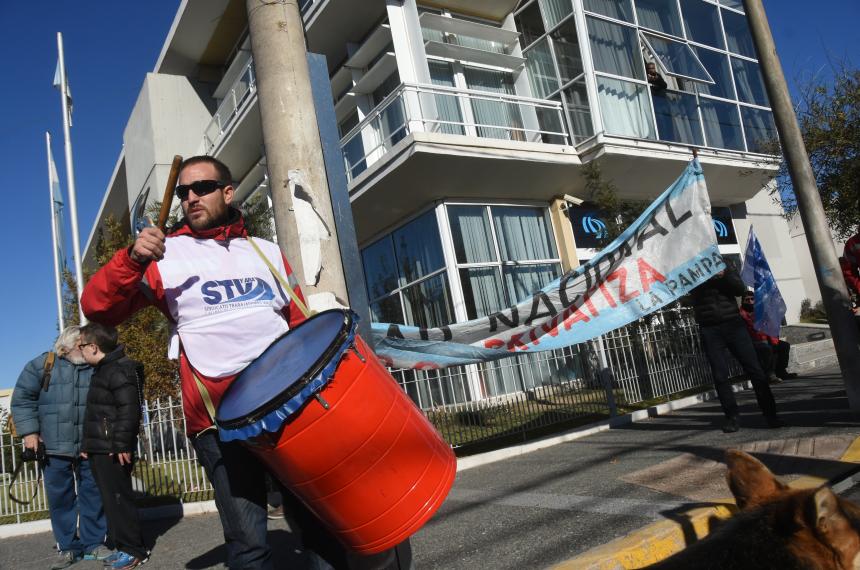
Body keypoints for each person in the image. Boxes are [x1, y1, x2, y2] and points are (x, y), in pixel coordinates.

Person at [81, 156, 407, 569]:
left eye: (202, 188)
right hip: (220, 423)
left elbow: (300, 327)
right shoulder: (162, 255)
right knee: (248, 541)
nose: (191, 198)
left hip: (292, 412)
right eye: (183, 192)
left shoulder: (266, 251)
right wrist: (131, 258)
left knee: (318, 526)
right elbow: (98, 308)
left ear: (228, 192)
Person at [10, 326, 109, 569]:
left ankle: (94, 544)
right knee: (60, 498)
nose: (86, 349)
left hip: (90, 444)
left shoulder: (96, 366)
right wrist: (30, 432)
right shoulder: (43, 365)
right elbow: (22, 398)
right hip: (53, 446)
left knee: (93, 494)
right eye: (82, 344)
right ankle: (67, 547)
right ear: (68, 346)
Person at [79, 322, 149, 570]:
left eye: (81, 346)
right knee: (110, 500)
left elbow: (129, 411)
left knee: (119, 499)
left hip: (113, 449)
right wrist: (89, 443)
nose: (80, 351)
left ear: (94, 347)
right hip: (101, 447)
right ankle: (122, 546)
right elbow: (99, 413)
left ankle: (133, 550)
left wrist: (121, 444)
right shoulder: (103, 370)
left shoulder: (119, 370)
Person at [689, 265, 784, 433]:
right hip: (709, 327)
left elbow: (740, 289)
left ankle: (770, 414)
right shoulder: (688, 268)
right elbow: (687, 293)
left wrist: (723, 275)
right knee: (720, 375)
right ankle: (732, 417)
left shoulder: (723, 263)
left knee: (754, 369)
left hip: (733, 324)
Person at [739, 291, 797, 384]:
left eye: (752, 299)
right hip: (753, 342)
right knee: (766, 348)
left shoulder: (760, 311)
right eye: (747, 299)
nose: (750, 301)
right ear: (743, 301)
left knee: (784, 346)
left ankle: (781, 371)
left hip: (767, 338)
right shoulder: (740, 315)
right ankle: (770, 374)